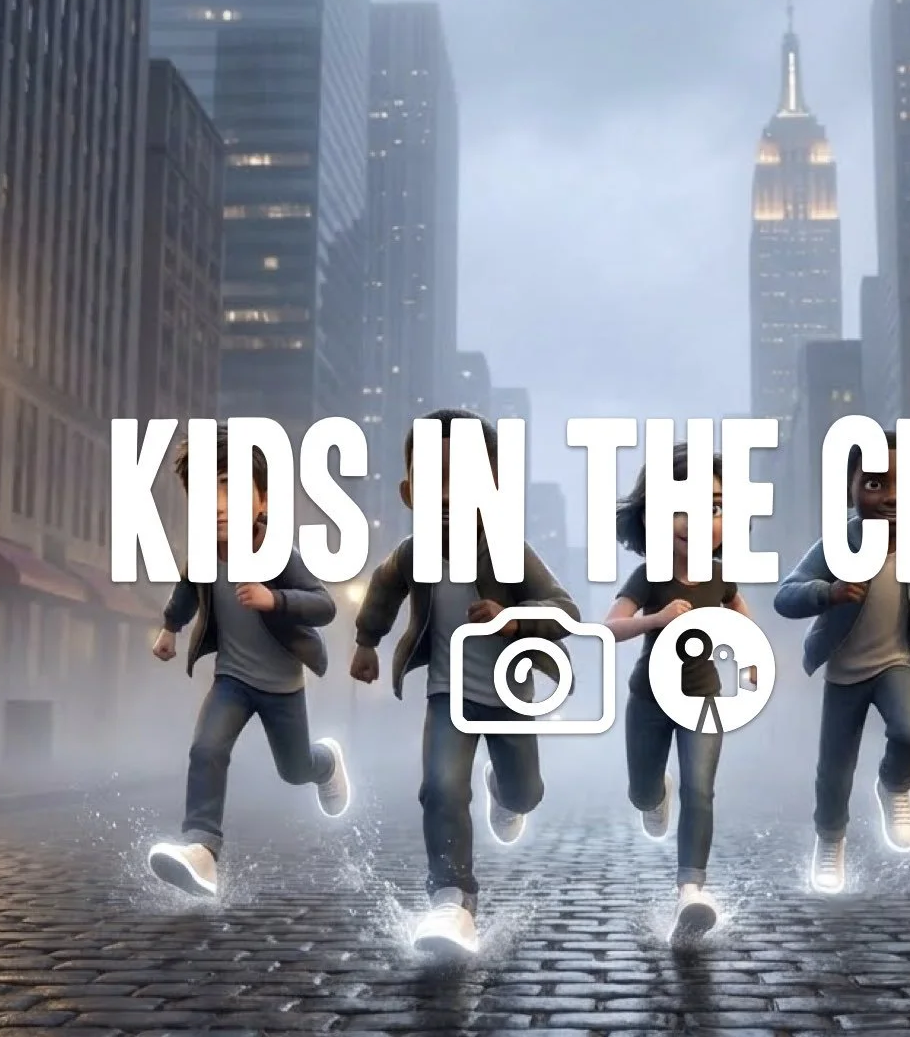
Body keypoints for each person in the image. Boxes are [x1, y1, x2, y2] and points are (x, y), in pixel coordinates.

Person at [350, 407, 580, 958]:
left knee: (526, 790)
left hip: (506, 697)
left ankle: (505, 792)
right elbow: (383, 590)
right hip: (446, 696)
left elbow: (563, 608)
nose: (450, 493)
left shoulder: (507, 549)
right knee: (440, 789)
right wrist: (366, 642)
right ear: (410, 490)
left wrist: (514, 617)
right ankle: (453, 899)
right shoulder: (412, 553)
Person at [144, 435, 351, 899]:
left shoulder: (277, 553)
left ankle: (324, 763)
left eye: (230, 490)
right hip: (232, 679)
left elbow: (324, 606)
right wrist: (168, 629)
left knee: (293, 769)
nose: (217, 507)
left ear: (263, 500)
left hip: (281, 687)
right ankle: (201, 849)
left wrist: (272, 599)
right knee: (206, 750)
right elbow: (184, 595)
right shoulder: (202, 556)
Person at [773, 428, 910, 894]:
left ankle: (894, 786)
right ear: (851, 488)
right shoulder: (837, 545)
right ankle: (830, 841)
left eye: (904, 485)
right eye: (875, 484)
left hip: (892, 664)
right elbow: (785, 595)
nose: (890, 498)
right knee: (834, 770)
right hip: (843, 676)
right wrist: (829, 592)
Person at [603, 444, 751, 945]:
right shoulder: (650, 576)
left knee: (700, 790)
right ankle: (653, 794)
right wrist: (658, 619)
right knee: (643, 791)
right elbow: (611, 628)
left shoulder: (722, 578)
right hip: (649, 698)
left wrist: (751, 660)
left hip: (703, 699)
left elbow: (744, 625)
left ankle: (691, 889)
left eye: (712, 506)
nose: (695, 522)